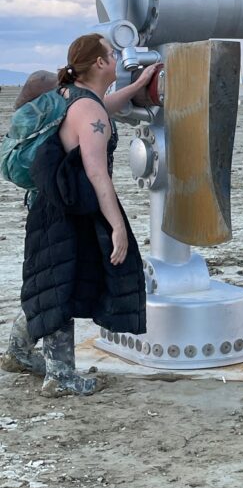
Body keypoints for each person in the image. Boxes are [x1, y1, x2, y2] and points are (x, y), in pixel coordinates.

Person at [1, 34, 153, 397]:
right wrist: (118, 226)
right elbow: (98, 174)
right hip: (66, 212)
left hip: (52, 204)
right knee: (61, 286)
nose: (117, 57)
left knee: (49, 283)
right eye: (112, 53)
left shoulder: (74, 98)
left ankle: (19, 352)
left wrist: (138, 85)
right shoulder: (89, 110)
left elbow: (102, 107)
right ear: (99, 63)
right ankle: (61, 377)